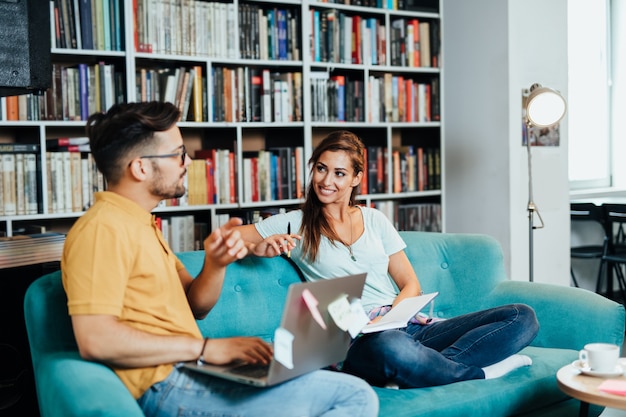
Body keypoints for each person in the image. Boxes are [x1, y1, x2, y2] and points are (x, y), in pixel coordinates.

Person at [61, 103, 379, 417]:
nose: (187, 162)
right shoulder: (102, 228)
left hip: (190, 370)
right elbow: (95, 340)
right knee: (354, 395)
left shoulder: (141, 224)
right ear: (141, 167)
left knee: (327, 376)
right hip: (165, 385)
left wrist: (216, 263)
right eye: (178, 153)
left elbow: (196, 306)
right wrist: (206, 348)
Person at [239, 130, 540, 389]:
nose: (326, 180)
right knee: (392, 348)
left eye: (339, 173)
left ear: (356, 178)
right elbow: (225, 240)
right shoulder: (297, 222)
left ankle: (424, 367)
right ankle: (475, 372)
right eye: (320, 168)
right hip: (358, 340)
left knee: (521, 317)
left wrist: (392, 318)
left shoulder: (374, 219)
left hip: (407, 325)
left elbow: (410, 283)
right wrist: (259, 247)